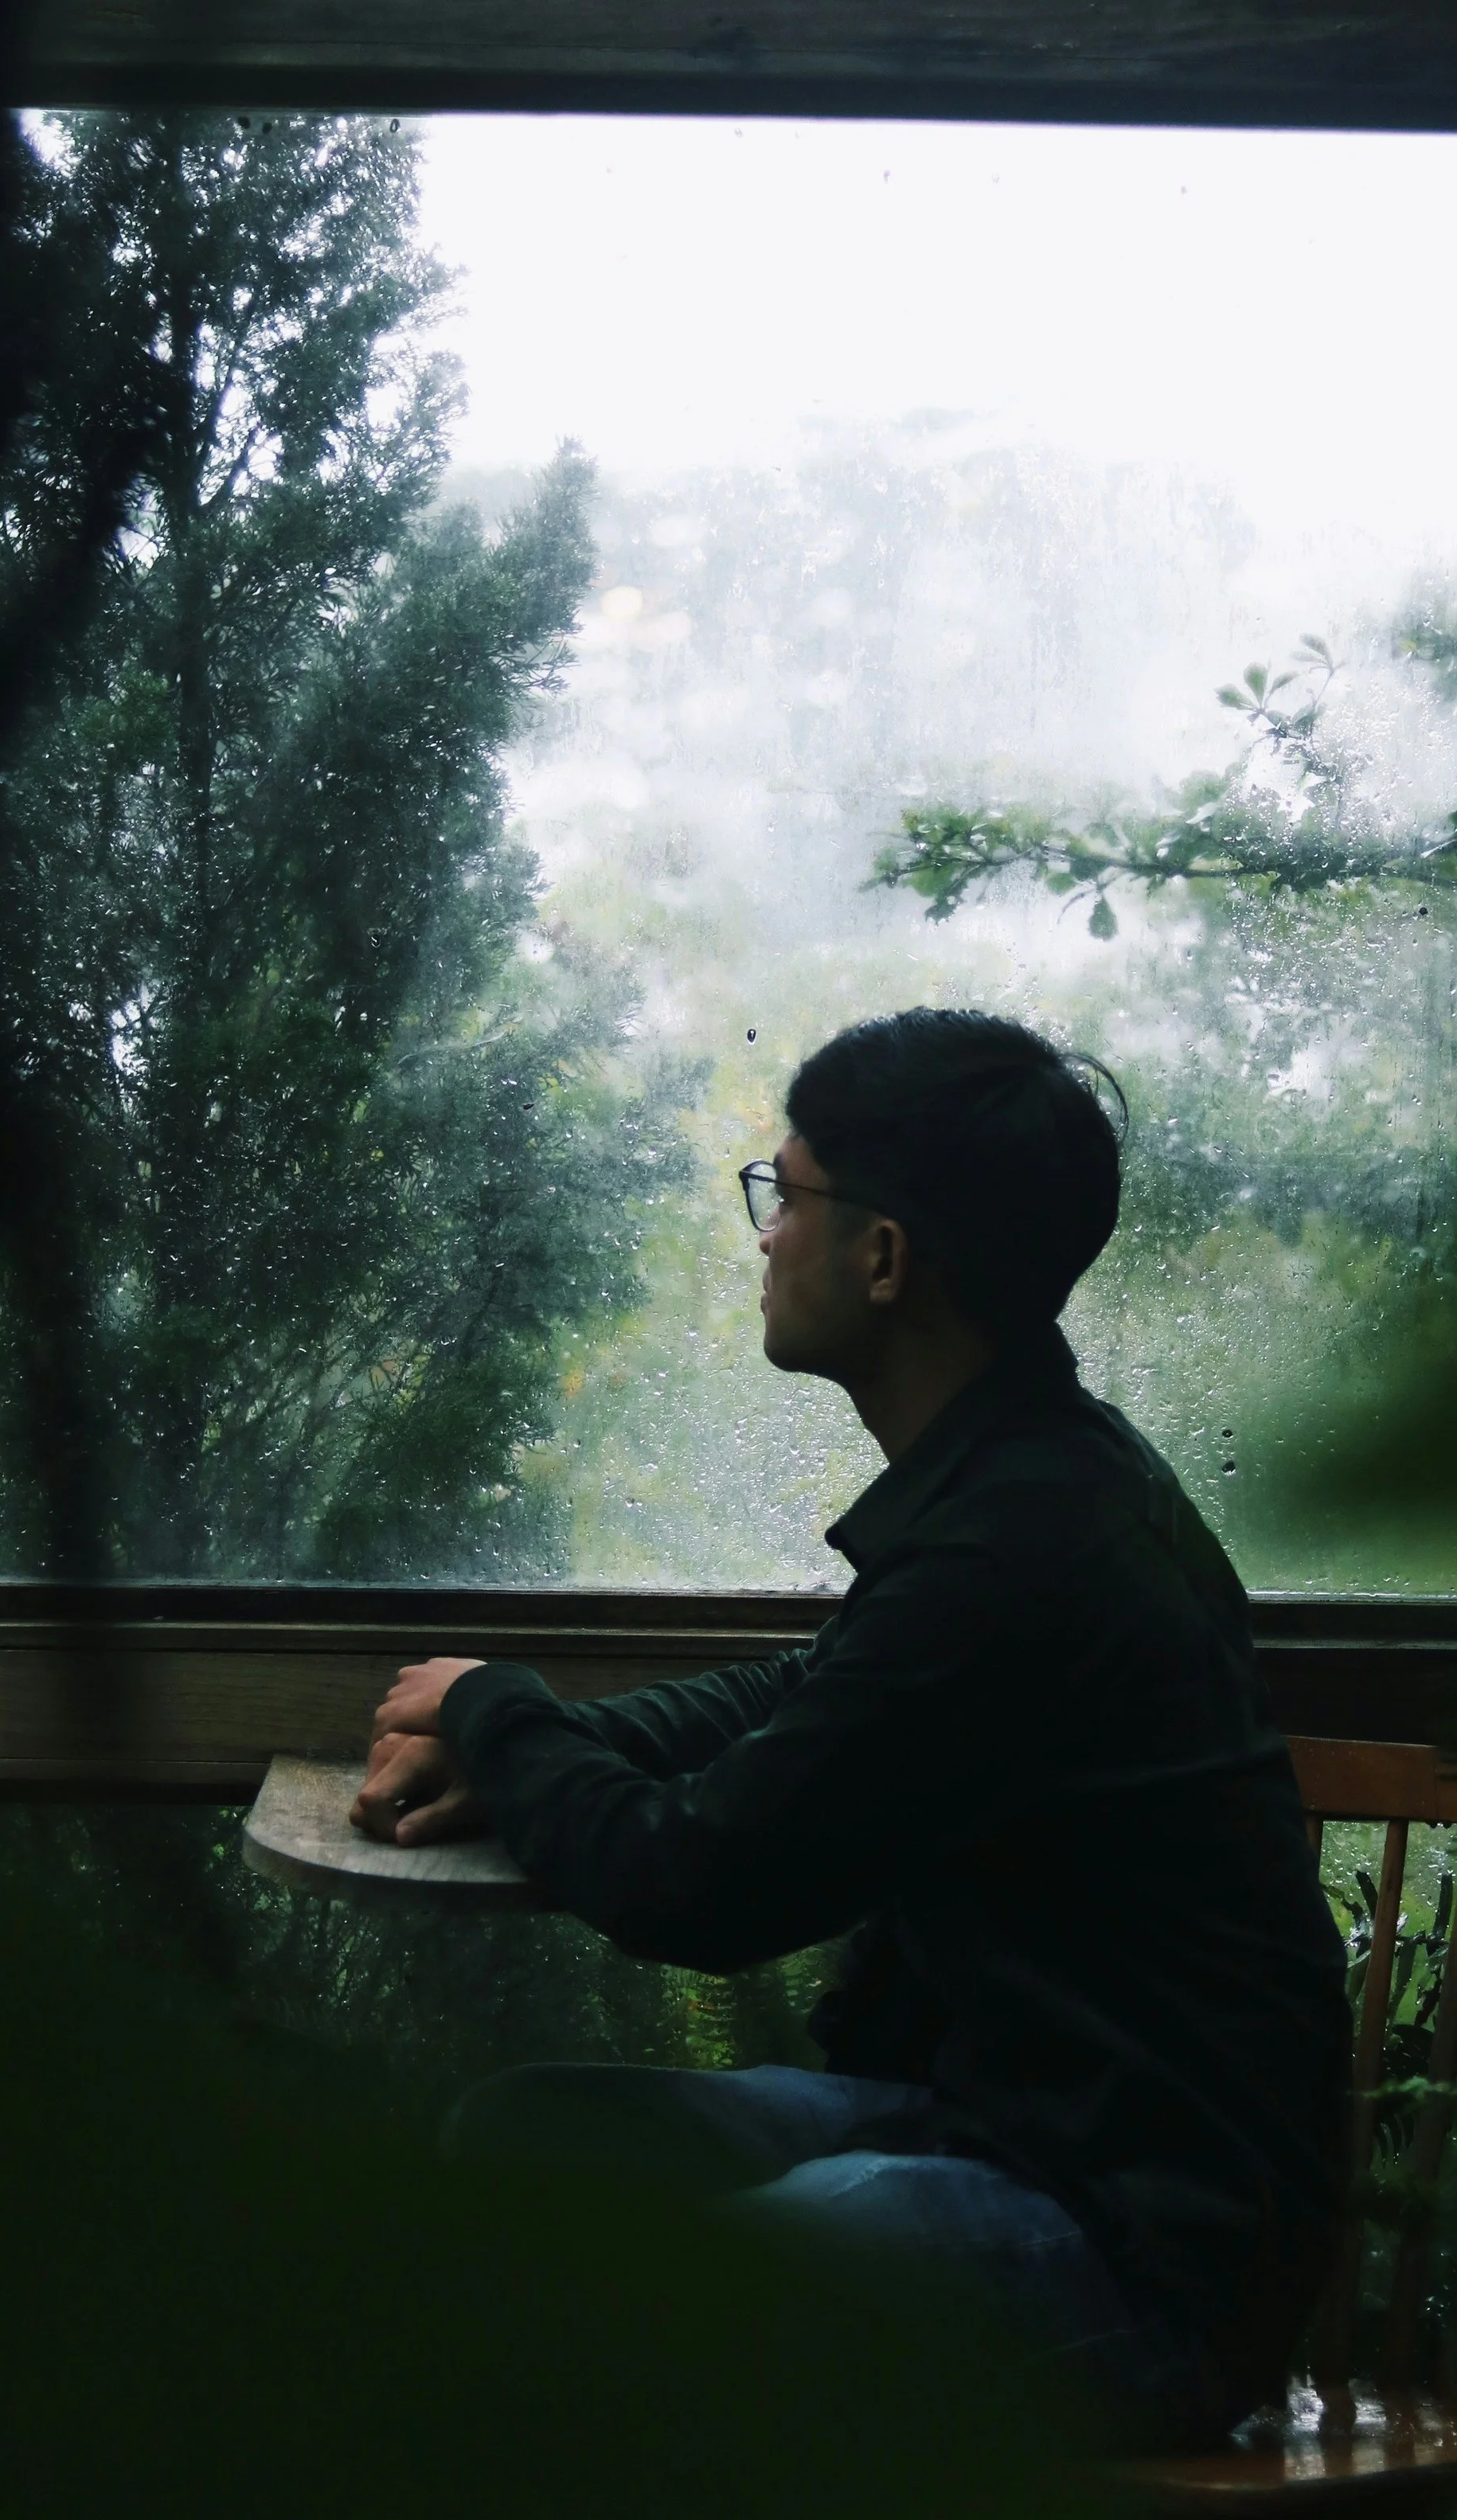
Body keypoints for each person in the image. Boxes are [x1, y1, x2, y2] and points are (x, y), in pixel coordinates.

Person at [354, 1009, 1350, 2446]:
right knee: (537, 2144)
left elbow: (697, 1884)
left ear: (882, 1258)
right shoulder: (1024, 1480)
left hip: (1150, 2256)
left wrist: (493, 1709)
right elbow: (810, 1690)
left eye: (786, 1194)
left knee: (729, 2286)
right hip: (993, 2129)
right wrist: (538, 1737)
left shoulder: (1024, 1547)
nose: (763, 1234)